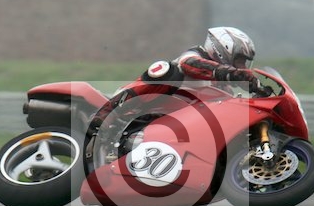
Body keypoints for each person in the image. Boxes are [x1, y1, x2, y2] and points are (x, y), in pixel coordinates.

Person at [88, 27, 267, 134]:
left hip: (173, 126)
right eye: (239, 60)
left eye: (244, 63)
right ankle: (105, 114)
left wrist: (259, 91)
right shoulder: (194, 56)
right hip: (141, 110)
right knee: (167, 70)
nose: (242, 66)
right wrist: (233, 73)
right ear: (223, 48)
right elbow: (189, 64)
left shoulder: (224, 89)